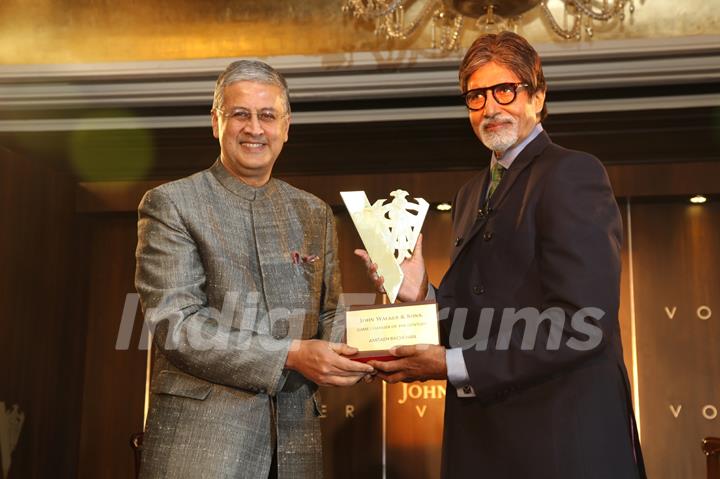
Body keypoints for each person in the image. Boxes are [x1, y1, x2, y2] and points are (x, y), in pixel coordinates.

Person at [356, 32, 646, 479]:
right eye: (476, 96)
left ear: (538, 95)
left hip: (560, 443)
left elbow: (583, 323)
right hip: (487, 440)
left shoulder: (572, 172)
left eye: (505, 90)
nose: (490, 108)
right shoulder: (470, 193)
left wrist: (452, 364)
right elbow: (475, 316)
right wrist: (418, 294)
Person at [135, 59, 373, 479]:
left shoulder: (314, 212)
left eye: (267, 115)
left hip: (296, 447)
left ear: (286, 126)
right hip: (201, 450)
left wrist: (376, 339)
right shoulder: (172, 203)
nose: (255, 128)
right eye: (240, 114)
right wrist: (291, 355)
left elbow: (331, 314)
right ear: (216, 122)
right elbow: (179, 326)